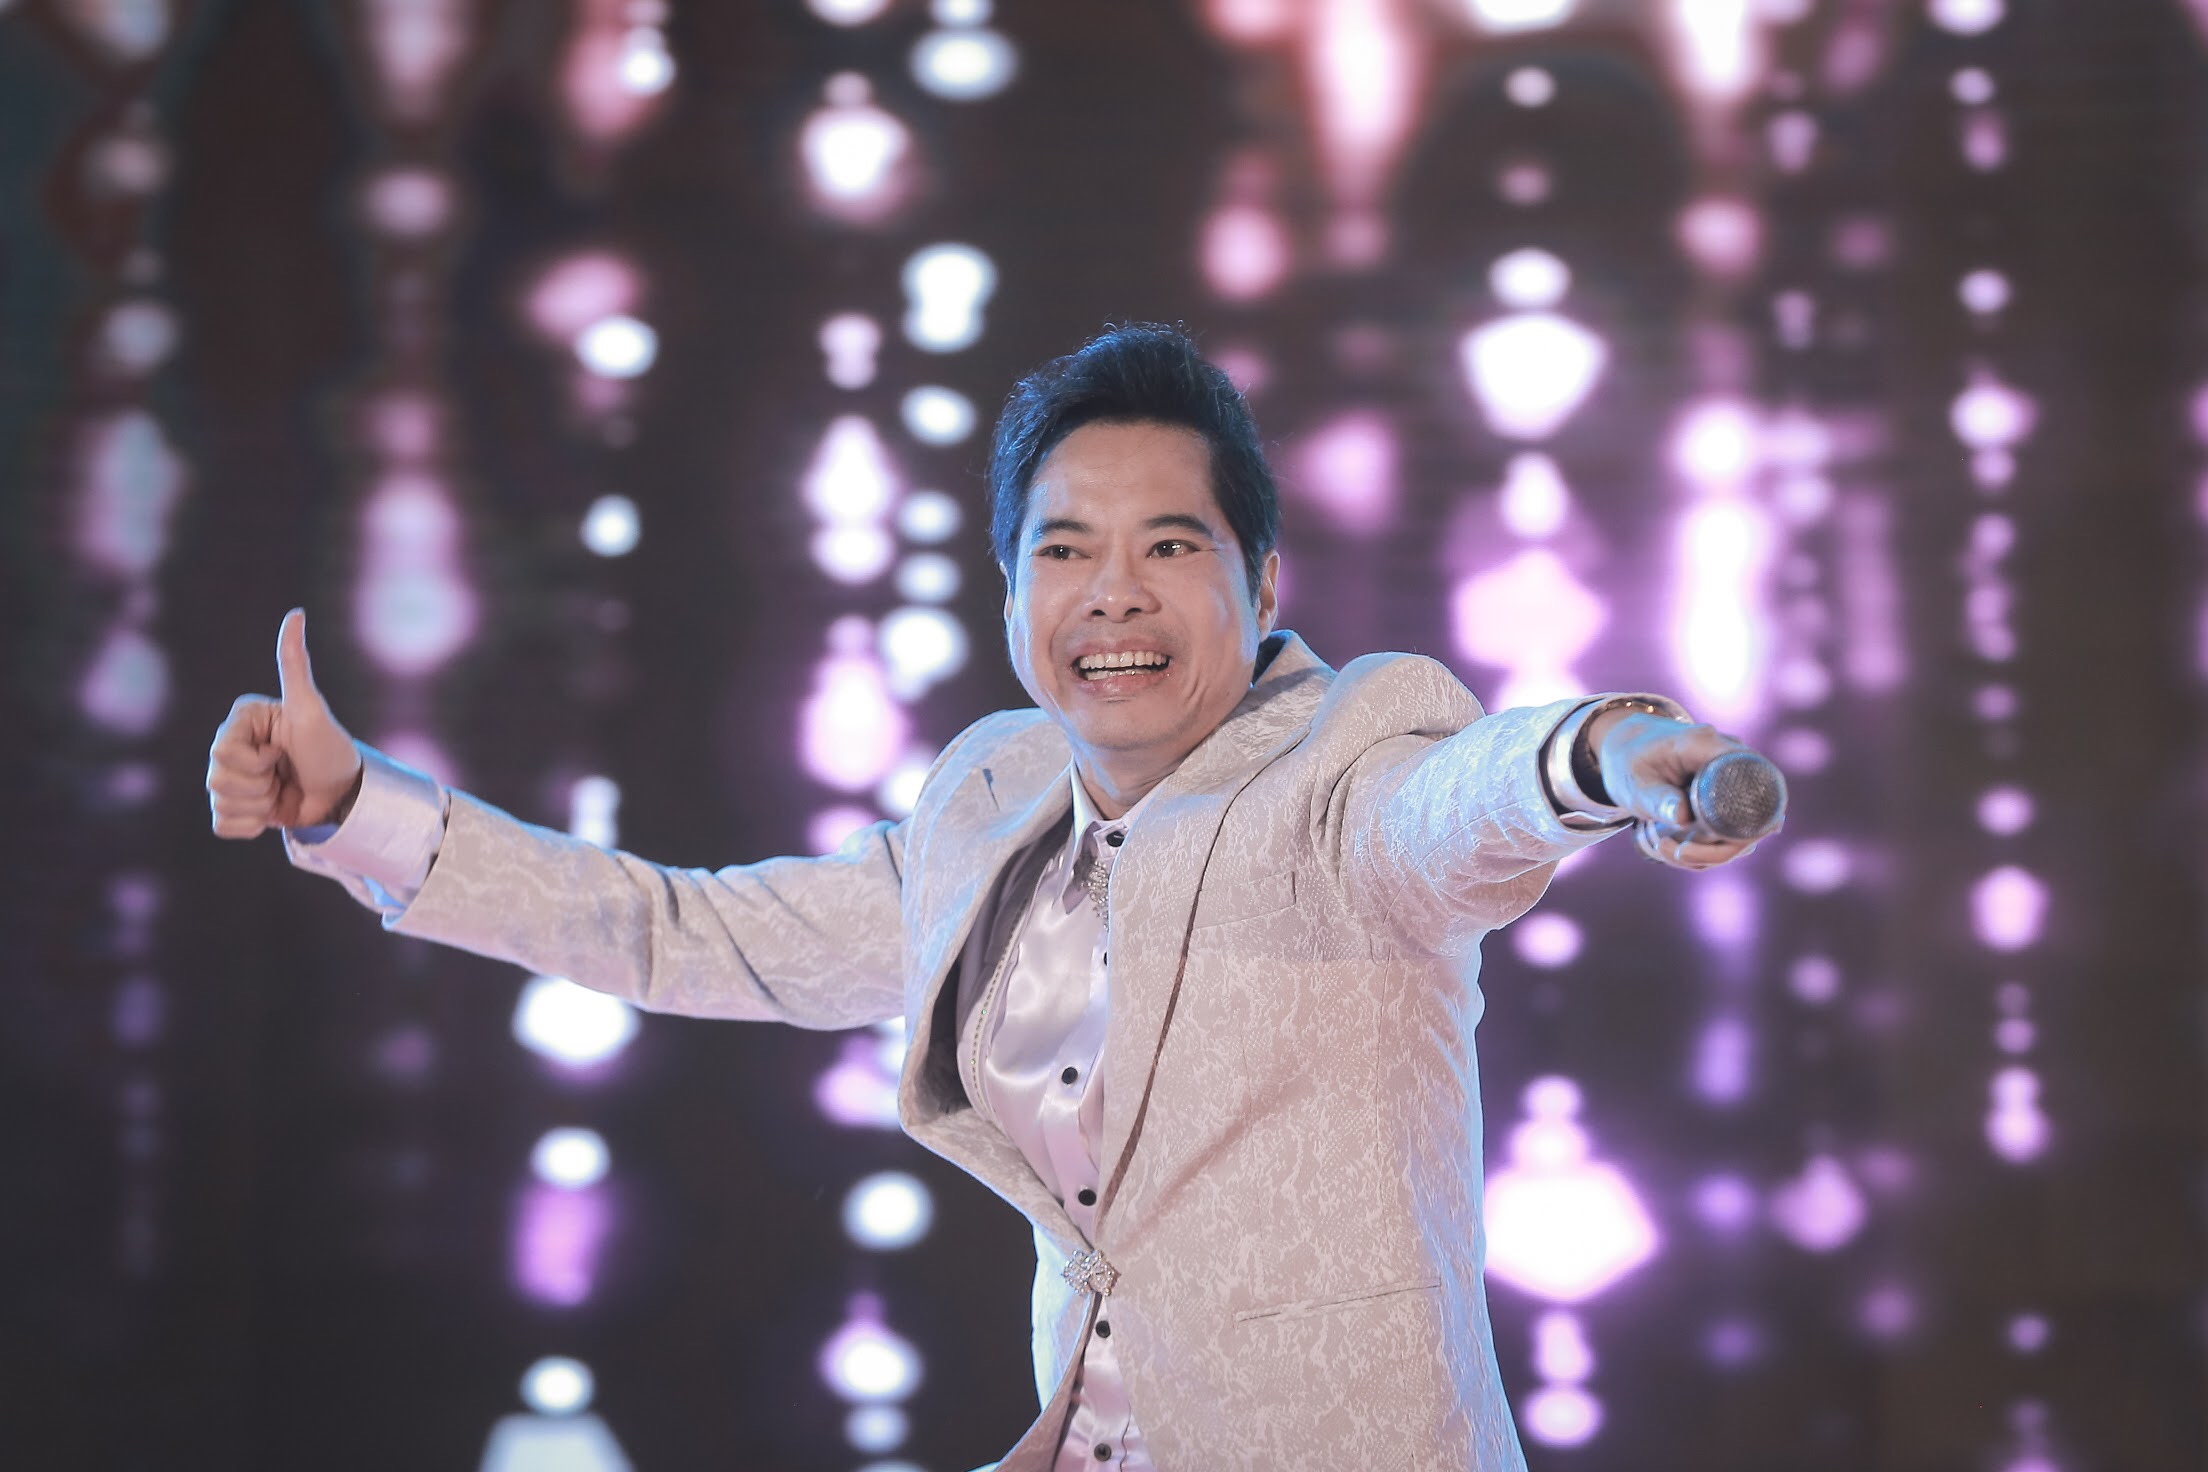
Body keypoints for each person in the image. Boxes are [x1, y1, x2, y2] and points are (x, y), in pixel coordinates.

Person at [207, 325, 1763, 1470]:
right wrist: (357, 809)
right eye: (1065, 549)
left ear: (1265, 583)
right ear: (1011, 593)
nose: (1115, 593)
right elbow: (689, 934)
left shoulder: (1345, 765)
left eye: (1172, 545)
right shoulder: (992, 802)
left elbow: (1466, 796)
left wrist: (1617, 758)